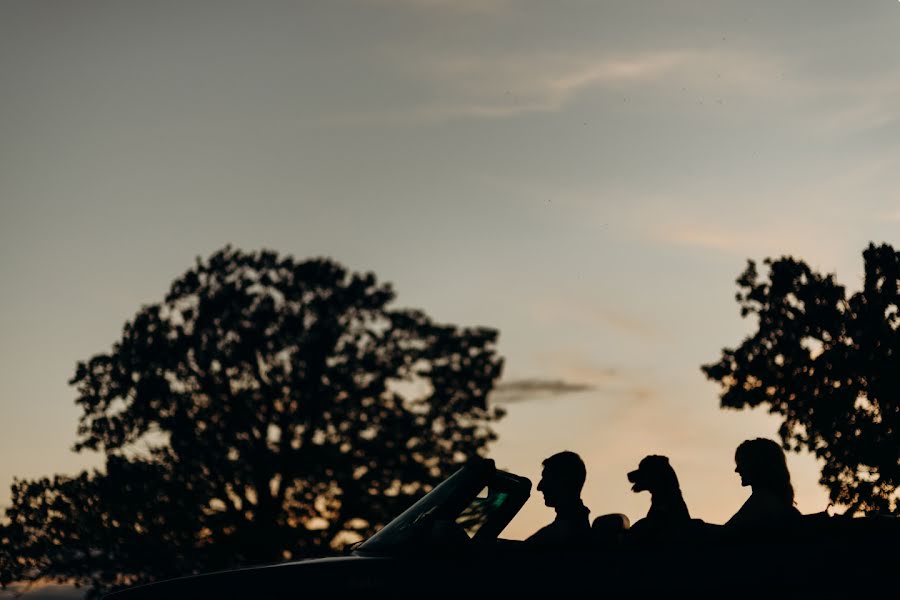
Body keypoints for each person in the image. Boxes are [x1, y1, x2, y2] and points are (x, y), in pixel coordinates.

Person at [726, 438, 801, 531]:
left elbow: (728, 534)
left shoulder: (762, 503)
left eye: (742, 462)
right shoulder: (781, 507)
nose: (737, 470)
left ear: (757, 464)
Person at [524, 451, 591, 550]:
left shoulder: (556, 536)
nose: (539, 487)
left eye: (546, 478)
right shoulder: (579, 527)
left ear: (563, 481)